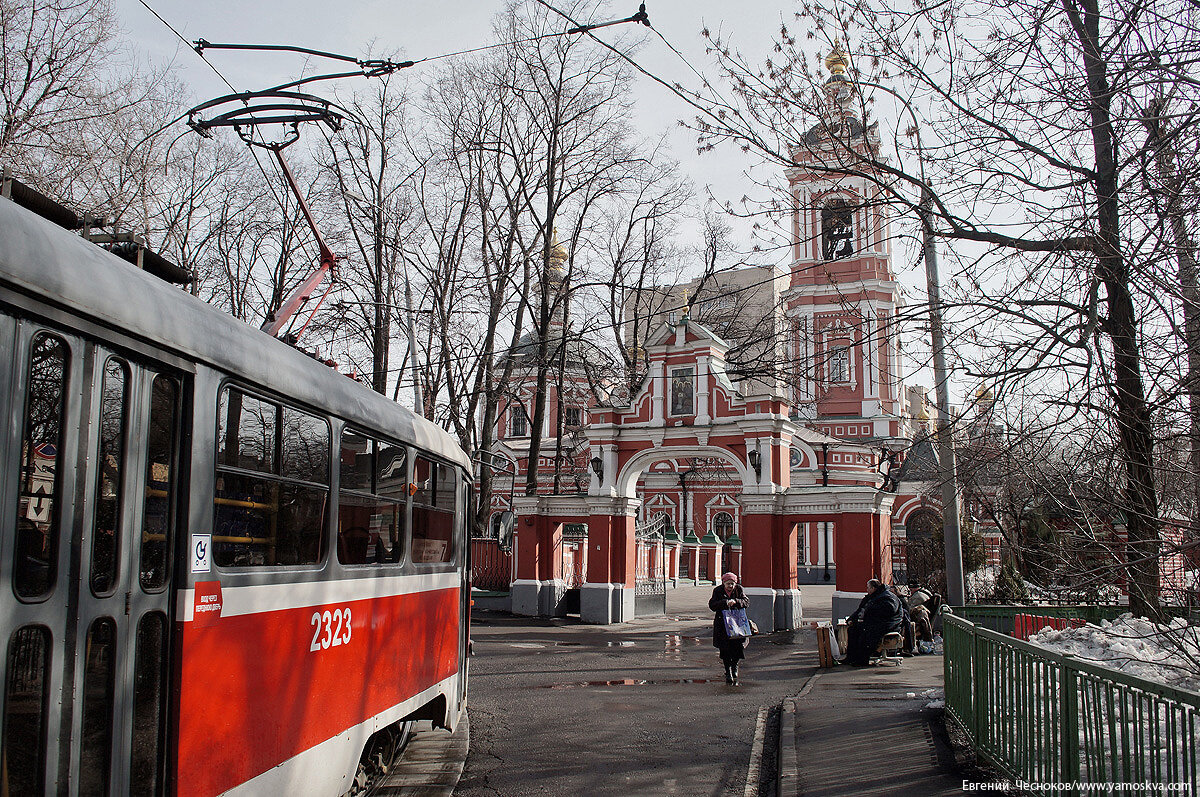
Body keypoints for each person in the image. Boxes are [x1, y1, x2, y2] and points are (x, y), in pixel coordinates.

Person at [841, 578, 904, 666]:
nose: (867, 590)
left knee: (866, 633)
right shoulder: (872, 597)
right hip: (877, 623)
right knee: (853, 630)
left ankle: (862, 660)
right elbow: (860, 610)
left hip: (888, 625)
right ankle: (851, 658)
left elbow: (889, 611)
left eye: (868, 588)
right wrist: (851, 619)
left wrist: (870, 615)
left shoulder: (887, 597)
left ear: (873, 588)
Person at [709, 572, 749, 685]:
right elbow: (712, 605)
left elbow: (746, 602)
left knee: (738, 648)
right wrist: (725, 602)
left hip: (738, 625)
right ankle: (728, 671)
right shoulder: (718, 591)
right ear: (723, 583)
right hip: (723, 626)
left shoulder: (739, 590)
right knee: (725, 650)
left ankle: (734, 666)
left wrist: (736, 601)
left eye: (732, 584)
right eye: (728, 584)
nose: (730, 586)